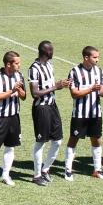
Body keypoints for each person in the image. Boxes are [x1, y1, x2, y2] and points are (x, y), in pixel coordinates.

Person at [64, 46, 103, 181]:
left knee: (96, 139)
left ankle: (97, 170)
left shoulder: (99, 71)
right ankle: (68, 169)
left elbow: (101, 91)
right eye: (95, 57)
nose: (97, 59)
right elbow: (74, 94)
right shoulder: (74, 72)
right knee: (74, 139)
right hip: (79, 113)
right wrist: (91, 89)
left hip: (95, 113)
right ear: (86, 57)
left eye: (98, 57)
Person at [29, 41, 71, 186]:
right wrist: (56, 86)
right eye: (51, 50)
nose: (53, 52)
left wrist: (62, 84)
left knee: (58, 140)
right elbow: (34, 93)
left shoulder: (49, 65)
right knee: (41, 141)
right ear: (45, 51)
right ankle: (36, 175)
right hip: (41, 109)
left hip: (52, 106)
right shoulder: (34, 68)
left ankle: (45, 169)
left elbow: (51, 87)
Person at [0, 52, 26, 187]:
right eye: (17, 63)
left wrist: (19, 91)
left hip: (14, 116)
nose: (19, 65)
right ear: (8, 64)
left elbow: (24, 97)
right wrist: (12, 90)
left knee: (11, 147)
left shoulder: (19, 76)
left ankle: (5, 175)